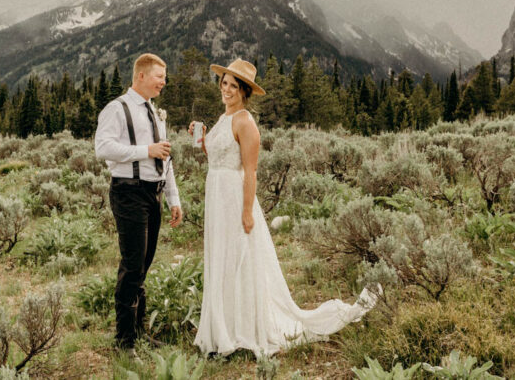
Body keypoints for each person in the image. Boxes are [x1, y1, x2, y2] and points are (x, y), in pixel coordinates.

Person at [191, 58, 380, 357]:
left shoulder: (245, 121)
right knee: (222, 259)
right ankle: (222, 327)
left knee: (238, 260)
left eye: (234, 86)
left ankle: (242, 330)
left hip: (234, 198)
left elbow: (250, 171)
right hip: (216, 195)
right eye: (224, 83)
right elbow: (218, 155)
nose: (227, 89)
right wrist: (202, 139)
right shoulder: (223, 117)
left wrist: (247, 212)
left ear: (244, 92)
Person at [95, 53, 184, 356]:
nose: (164, 81)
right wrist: (146, 150)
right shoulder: (116, 109)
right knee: (132, 265)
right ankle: (124, 340)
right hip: (128, 192)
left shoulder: (155, 112)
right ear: (142, 76)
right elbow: (103, 147)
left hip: (153, 193)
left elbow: (165, 157)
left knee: (143, 265)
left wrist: (173, 198)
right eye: (160, 76)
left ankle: (139, 331)